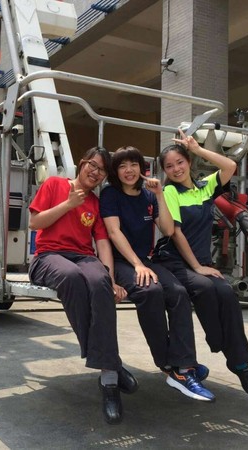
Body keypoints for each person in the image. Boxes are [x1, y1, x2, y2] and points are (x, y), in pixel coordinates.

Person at [28, 146, 138, 425]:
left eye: (102, 170)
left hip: (83, 256)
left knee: (99, 280)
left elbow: (102, 243)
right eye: (93, 165)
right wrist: (68, 204)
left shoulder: (96, 204)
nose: (96, 172)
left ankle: (108, 378)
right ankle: (111, 367)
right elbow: (34, 222)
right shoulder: (54, 184)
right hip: (48, 256)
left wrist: (111, 279)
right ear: (82, 163)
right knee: (72, 277)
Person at [153, 129, 248, 398]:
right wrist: (198, 266)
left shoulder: (205, 187)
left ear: (189, 162)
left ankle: (240, 364)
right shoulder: (170, 191)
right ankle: (221, 347)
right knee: (204, 287)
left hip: (199, 261)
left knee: (226, 291)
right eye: (169, 166)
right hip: (174, 260)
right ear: (165, 172)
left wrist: (198, 148)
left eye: (180, 162)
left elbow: (230, 165)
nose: (176, 169)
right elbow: (175, 233)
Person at [100, 146, 215, 402]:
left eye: (133, 164)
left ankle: (184, 367)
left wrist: (160, 195)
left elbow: (168, 229)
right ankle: (167, 364)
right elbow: (114, 233)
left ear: (143, 168)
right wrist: (137, 265)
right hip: (121, 261)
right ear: (115, 172)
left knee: (177, 291)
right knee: (150, 291)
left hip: (146, 260)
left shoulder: (149, 196)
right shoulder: (110, 194)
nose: (129, 170)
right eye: (121, 166)